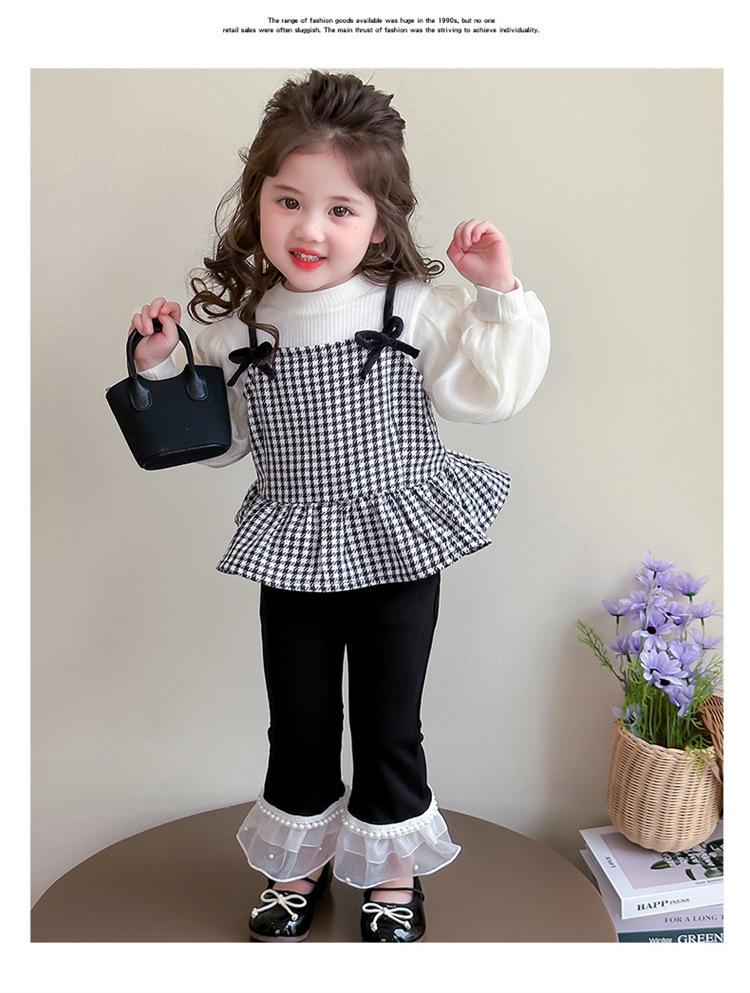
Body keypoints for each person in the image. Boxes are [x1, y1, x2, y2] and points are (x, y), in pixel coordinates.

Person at [128, 69, 550, 942]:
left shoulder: (412, 308)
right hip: (294, 550)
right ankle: (300, 862)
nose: (309, 229)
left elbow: (490, 392)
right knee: (299, 719)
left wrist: (494, 291)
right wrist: (161, 363)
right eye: (288, 201)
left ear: (379, 221)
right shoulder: (241, 331)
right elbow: (217, 439)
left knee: (390, 721)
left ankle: (392, 873)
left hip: (398, 543)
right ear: (257, 201)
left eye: (340, 209)